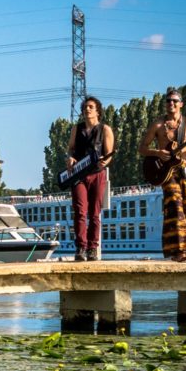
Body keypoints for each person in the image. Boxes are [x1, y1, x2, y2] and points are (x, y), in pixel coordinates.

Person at [138, 88, 186, 262]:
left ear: (181, 104)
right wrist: (158, 153)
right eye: (168, 101)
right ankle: (177, 251)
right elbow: (142, 148)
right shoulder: (158, 125)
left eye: (175, 101)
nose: (171, 104)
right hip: (168, 172)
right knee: (174, 206)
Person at [66, 95, 114, 262]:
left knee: (94, 213)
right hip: (79, 175)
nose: (87, 109)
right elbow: (71, 149)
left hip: (96, 173)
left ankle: (93, 248)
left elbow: (109, 155)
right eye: (85, 107)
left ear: (97, 111)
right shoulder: (76, 129)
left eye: (91, 107)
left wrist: (104, 162)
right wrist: (70, 158)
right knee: (80, 211)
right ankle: (80, 247)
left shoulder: (105, 130)